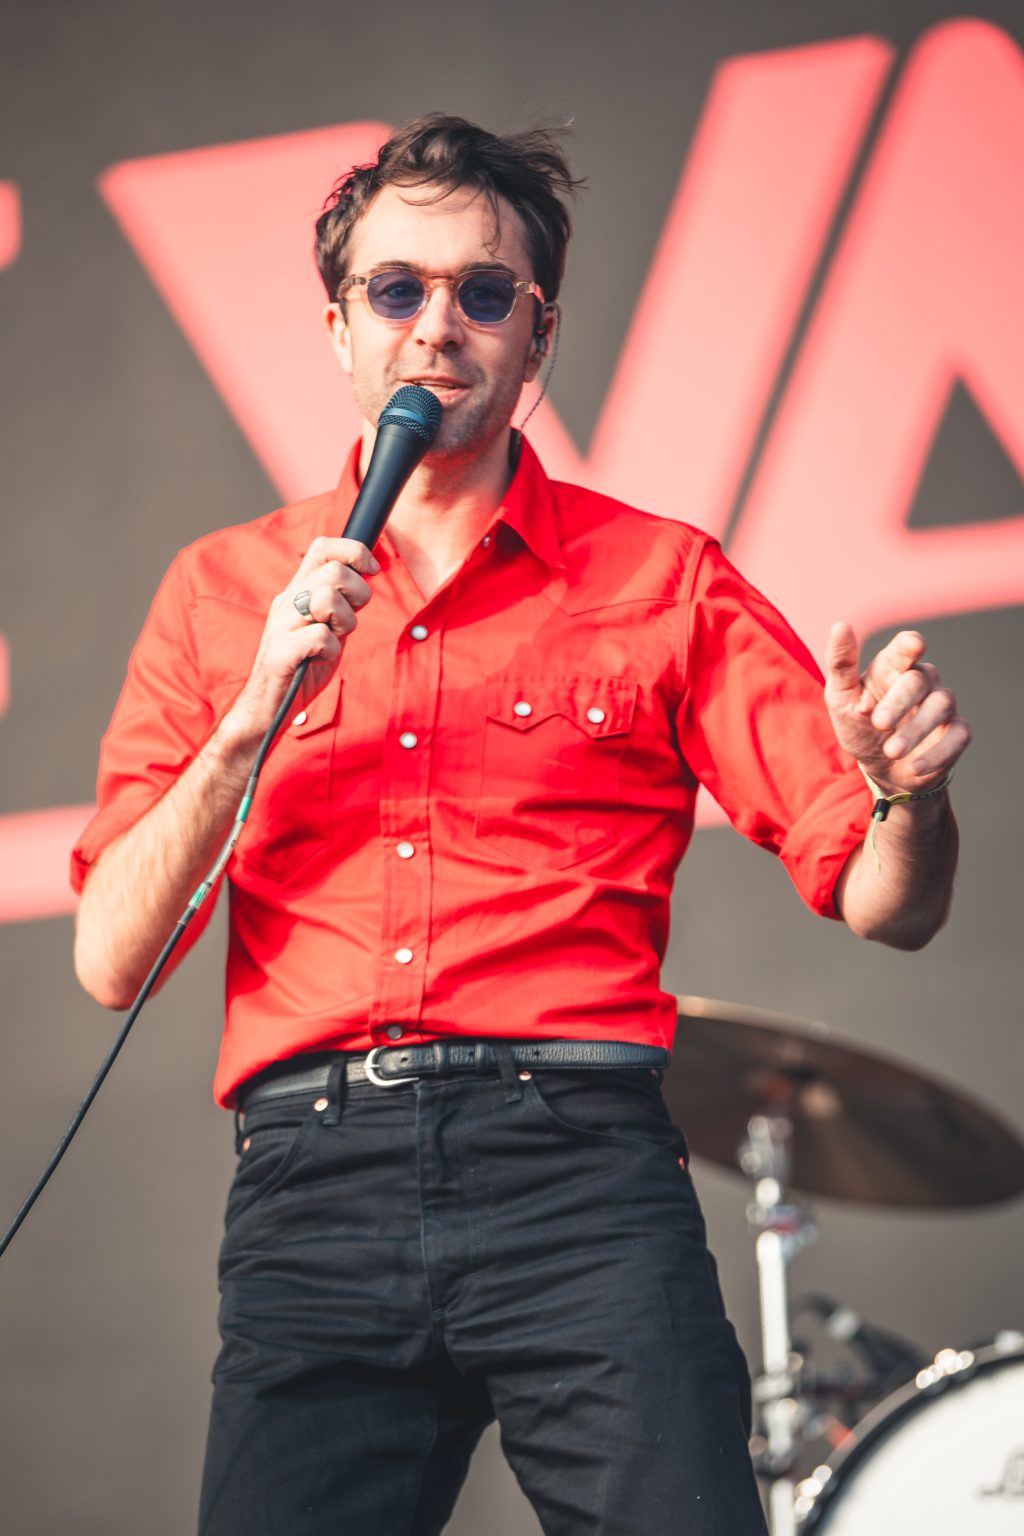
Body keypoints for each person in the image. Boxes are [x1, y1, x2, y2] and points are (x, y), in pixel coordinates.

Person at [72, 115, 970, 1536]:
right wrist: (246, 720)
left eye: (484, 294)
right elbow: (113, 959)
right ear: (338, 329)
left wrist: (906, 791)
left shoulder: (663, 577)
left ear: (536, 338)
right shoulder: (220, 588)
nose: (440, 326)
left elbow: (886, 898)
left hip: (580, 1174)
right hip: (314, 1181)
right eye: (398, 290)